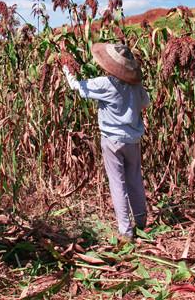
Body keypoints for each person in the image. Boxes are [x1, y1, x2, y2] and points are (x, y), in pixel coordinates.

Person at [62, 43, 150, 242]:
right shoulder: (137, 85)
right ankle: (141, 220)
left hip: (111, 140)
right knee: (135, 178)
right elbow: (145, 103)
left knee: (117, 183)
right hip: (133, 140)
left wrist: (66, 68)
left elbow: (78, 87)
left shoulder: (105, 83)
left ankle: (126, 232)